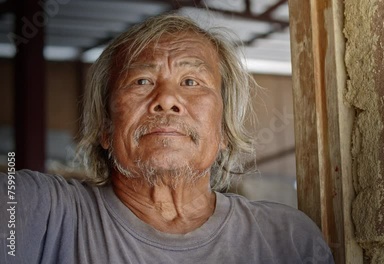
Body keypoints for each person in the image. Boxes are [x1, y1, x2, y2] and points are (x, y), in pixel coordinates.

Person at [0, 14, 334, 264]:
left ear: (224, 131)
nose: (167, 99)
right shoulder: (39, 213)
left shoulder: (287, 240)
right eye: (142, 81)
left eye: (191, 81)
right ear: (105, 127)